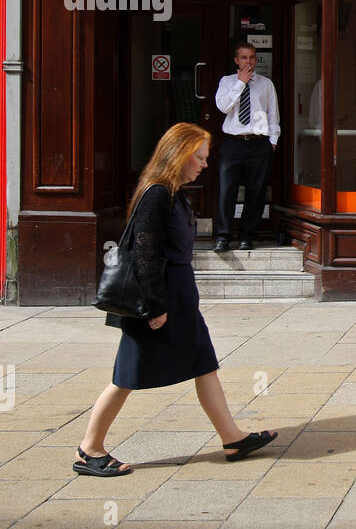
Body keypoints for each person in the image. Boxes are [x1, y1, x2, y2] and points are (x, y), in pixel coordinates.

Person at [73, 122, 277, 476]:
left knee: (204, 363)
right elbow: (145, 254)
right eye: (198, 157)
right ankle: (88, 449)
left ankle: (232, 438)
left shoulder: (173, 193)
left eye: (205, 157)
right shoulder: (157, 194)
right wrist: (155, 307)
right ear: (179, 155)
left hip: (179, 295)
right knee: (126, 375)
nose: (204, 164)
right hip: (158, 299)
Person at [213, 42, 280, 252]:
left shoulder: (265, 84)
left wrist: (273, 141)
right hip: (233, 142)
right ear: (236, 60)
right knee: (227, 191)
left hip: (259, 143)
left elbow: (272, 113)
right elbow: (223, 107)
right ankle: (223, 237)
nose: (248, 61)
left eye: (252, 57)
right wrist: (240, 83)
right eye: (244, 57)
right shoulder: (227, 82)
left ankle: (247, 237)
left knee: (256, 191)